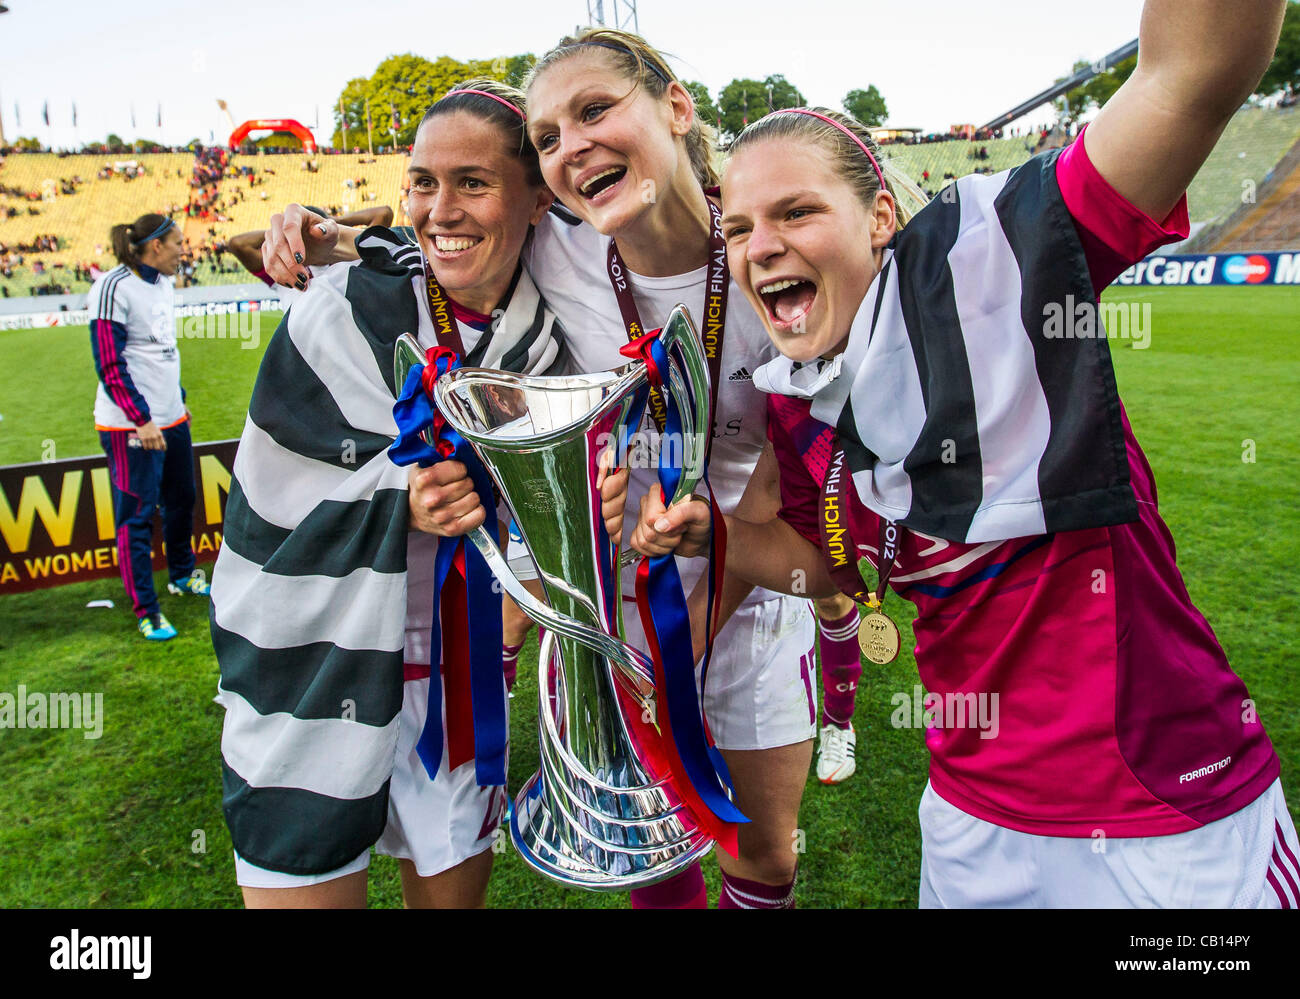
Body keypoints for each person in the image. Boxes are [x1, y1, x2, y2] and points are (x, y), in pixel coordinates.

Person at [633, 0, 1300, 907]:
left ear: (878, 217)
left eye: (795, 211)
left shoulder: (1002, 262)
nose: (762, 248)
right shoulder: (799, 398)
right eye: (742, 228)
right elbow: (821, 565)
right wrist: (706, 529)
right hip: (969, 817)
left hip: (1166, 810)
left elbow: (1196, 70)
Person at [264, 30, 818, 911]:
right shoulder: (561, 247)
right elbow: (447, 231)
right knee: (645, 845)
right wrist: (323, 230)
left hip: (749, 589)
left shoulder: (766, 252)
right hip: (621, 595)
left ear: (676, 107)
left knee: (762, 858)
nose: (574, 147)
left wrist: (713, 612)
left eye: (597, 110)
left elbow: (797, 471)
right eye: (553, 136)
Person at [211, 81, 608, 909]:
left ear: (537, 197)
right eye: (424, 182)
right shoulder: (345, 307)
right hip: (315, 672)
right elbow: (271, 497)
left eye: (472, 182)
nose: (442, 209)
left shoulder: (556, 334)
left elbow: (556, 523)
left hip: (456, 682)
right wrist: (401, 492)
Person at [89, 213, 208, 642]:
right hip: (131, 427)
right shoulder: (111, 286)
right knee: (137, 515)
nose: (184, 251)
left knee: (182, 500)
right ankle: (147, 609)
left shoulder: (163, 285)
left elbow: (161, 349)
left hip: (171, 417)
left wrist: (178, 401)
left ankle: (180, 574)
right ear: (156, 246)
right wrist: (141, 419)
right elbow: (109, 363)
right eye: (178, 243)